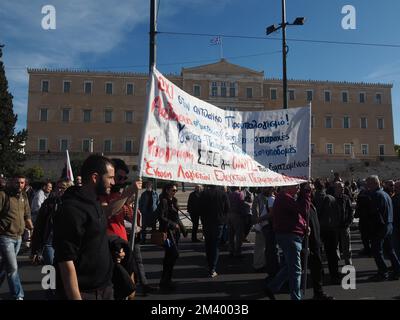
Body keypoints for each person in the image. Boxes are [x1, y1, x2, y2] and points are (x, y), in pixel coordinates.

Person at [53, 155, 136, 300]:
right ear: (95, 177)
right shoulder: (71, 209)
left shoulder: (95, 203)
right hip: (85, 293)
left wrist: (112, 250)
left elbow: (94, 239)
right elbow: (66, 261)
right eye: (110, 177)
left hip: (105, 288)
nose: (113, 182)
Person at [264, 184, 311, 300]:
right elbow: (303, 210)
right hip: (290, 236)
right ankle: (296, 298)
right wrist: (307, 194)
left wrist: (304, 225)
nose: (298, 189)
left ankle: (272, 287)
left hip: (290, 235)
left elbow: (297, 216)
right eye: (297, 187)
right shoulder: (284, 198)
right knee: (296, 269)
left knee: (290, 266)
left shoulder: (285, 198)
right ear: (289, 187)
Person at [0, 175, 34, 300]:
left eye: (22, 183)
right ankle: (18, 295)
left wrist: (32, 229)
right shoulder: (3, 195)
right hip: (6, 237)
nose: (19, 185)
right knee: (13, 268)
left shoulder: (23, 196)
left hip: (18, 237)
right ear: (10, 182)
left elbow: (27, 215)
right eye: (17, 182)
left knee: (6, 266)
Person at [365, 175, 400, 281]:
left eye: (368, 184)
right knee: (390, 250)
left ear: (375, 183)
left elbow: (376, 213)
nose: (367, 186)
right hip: (389, 225)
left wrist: (372, 229)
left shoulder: (376, 195)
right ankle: (397, 269)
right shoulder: (385, 194)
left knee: (377, 251)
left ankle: (383, 272)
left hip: (380, 227)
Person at [158, 183, 187, 291]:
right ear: (167, 190)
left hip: (175, 233)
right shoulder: (164, 201)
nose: (175, 192)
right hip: (168, 232)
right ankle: (165, 280)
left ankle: (166, 280)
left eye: (176, 190)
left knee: (169, 257)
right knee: (173, 255)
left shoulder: (174, 201)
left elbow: (177, 218)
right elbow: (161, 217)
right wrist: (172, 224)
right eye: (173, 190)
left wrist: (183, 229)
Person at [199, 185, 230, 277]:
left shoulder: (203, 193)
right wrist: (224, 219)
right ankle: (213, 268)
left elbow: (199, 208)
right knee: (215, 245)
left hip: (207, 222)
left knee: (208, 244)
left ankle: (209, 265)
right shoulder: (222, 193)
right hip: (218, 222)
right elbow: (227, 208)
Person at [333, 181, 354, 266]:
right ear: (336, 188)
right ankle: (336, 260)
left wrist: (349, 222)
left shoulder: (346, 198)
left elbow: (350, 210)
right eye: (340, 187)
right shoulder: (332, 198)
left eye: (343, 187)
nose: (342, 189)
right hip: (335, 226)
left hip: (345, 225)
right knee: (335, 245)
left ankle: (348, 261)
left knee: (347, 245)